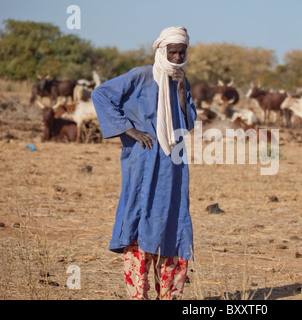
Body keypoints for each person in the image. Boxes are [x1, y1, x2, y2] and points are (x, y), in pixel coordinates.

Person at [91, 26, 197, 300]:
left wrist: (183, 89)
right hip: (142, 160)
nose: (175, 57)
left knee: (173, 218)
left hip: (174, 165)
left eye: (180, 52)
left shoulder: (182, 81)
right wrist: (129, 130)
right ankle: (138, 295)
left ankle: (170, 295)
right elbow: (101, 95)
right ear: (161, 50)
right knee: (139, 213)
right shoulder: (140, 76)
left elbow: (188, 124)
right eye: (171, 52)